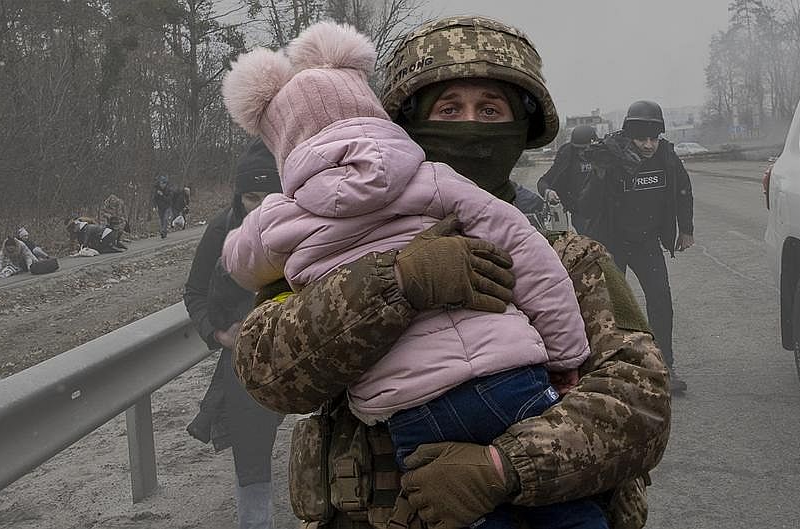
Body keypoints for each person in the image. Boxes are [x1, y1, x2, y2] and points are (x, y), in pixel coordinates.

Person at [232, 16, 670, 529]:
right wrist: (394, 284)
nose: (470, 125)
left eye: (491, 109)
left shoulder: (570, 259)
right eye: (449, 108)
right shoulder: (321, 244)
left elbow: (640, 407)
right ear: (408, 123)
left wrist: (505, 467)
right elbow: (267, 373)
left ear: (520, 128)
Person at [182, 138, 285, 529]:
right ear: (238, 196)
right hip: (248, 356)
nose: (258, 209)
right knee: (251, 450)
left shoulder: (307, 224)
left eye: (269, 197)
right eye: (250, 198)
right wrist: (218, 334)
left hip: (306, 344)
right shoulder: (221, 228)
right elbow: (194, 292)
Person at [582, 100, 695, 394]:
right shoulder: (611, 156)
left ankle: (665, 365)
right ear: (630, 136)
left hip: (646, 243)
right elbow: (586, 205)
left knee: (661, 301)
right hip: (613, 243)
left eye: (653, 139)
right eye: (641, 139)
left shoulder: (667, 156)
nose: (648, 145)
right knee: (610, 308)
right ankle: (609, 368)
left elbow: (683, 191)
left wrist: (686, 229)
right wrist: (599, 175)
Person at [537, 125, 599, 234]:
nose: (582, 153)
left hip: (603, 210)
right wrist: (548, 192)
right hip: (580, 212)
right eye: (579, 149)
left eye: (586, 149)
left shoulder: (605, 155)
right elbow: (543, 181)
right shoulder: (567, 157)